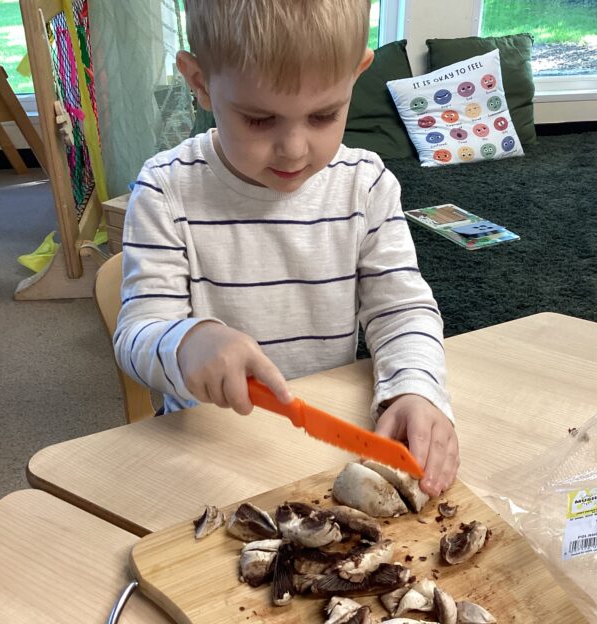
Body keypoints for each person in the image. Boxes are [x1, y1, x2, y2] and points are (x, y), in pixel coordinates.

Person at [114, 0, 458, 497]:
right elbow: (137, 333)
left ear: (357, 74)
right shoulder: (166, 190)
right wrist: (187, 341)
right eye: (258, 119)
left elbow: (402, 310)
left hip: (322, 451)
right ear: (200, 82)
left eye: (324, 114)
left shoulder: (366, 185)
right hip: (210, 454)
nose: (295, 149)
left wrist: (415, 389)